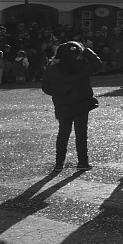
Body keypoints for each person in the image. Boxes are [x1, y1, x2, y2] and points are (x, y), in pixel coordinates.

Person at [41, 41, 104, 171]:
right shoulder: (81, 66)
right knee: (81, 133)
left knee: (63, 132)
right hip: (81, 102)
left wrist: (58, 94)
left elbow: (46, 87)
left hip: (62, 103)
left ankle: (59, 163)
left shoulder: (52, 69)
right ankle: (82, 162)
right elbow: (98, 66)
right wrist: (87, 51)